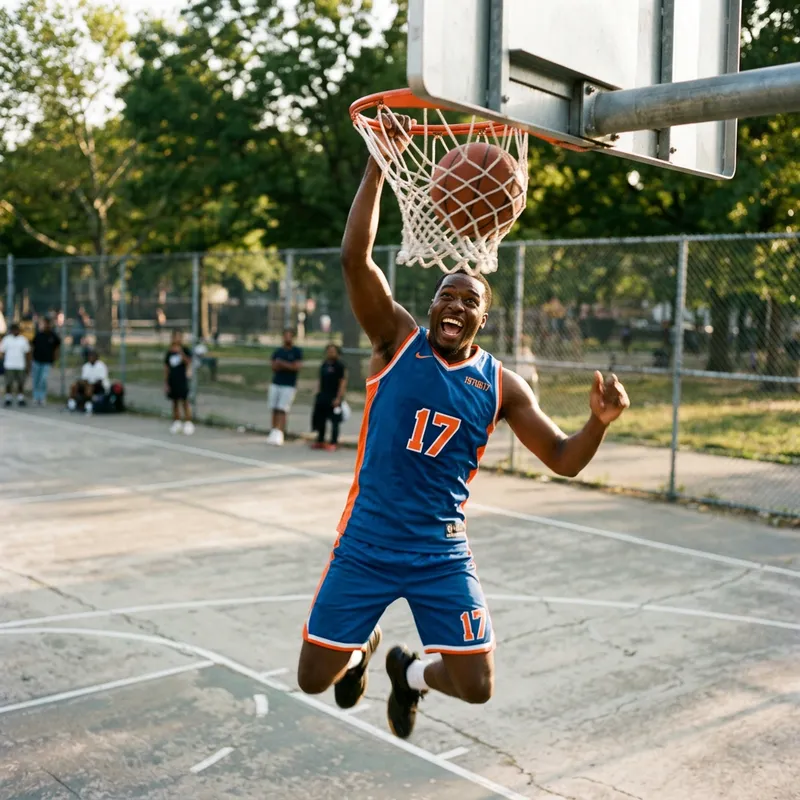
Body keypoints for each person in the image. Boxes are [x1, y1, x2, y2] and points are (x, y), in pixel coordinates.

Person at [296, 113, 630, 740]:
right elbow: (354, 258)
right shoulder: (396, 341)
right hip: (367, 541)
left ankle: (408, 673)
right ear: (430, 306)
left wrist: (598, 422)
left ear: (482, 318)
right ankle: (361, 649)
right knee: (314, 678)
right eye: (445, 295)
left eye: (468, 300)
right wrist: (379, 162)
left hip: (440, 550)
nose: (454, 304)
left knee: (476, 685)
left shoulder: (502, 385)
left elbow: (563, 458)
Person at [267, 327, 303, 446]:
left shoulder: (296, 351)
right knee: (274, 408)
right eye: (285, 335)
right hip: (276, 383)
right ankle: (273, 431)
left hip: (288, 385)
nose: (287, 338)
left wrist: (282, 364)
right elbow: (273, 366)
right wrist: (286, 365)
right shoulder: (278, 351)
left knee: (283, 409)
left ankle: (280, 432)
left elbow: (296, 367)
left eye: (289, 336)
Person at [311, 344, 347, 451]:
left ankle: (333, 442)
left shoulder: (340, 366)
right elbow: (320, 380)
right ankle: (320, 440)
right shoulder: (324, 364)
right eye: (329, 351)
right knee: (320, 419)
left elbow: (343, 382)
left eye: (333, 351)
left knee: (334, 421)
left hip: (334, 397)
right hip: (323, 396)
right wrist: (317, 393)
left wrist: (338, 398)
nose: (330, 353)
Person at [164, 329, 195, 435]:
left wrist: (181, 353)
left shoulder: (185, 350)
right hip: (173, 379)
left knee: (184, 401)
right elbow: (166, 368)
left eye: (179, 337)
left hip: (182, 379)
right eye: (175, 337)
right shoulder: (169, 352)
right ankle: (176, 422)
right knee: (175, 402)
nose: (177, 339)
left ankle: (188, 422)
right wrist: (166, 382)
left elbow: (188, 362)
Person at [67, 348, 110, 414]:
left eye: (92, 356)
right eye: (89, 356)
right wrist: (81, 383)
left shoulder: (101, 366)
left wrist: (89, 384)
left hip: (100, 386)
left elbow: (100, 380)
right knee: (74, 385)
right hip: (88, 384)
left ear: (96, 357)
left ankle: (88, 405)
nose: (90, 358)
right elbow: (85, 379)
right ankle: (71, 404)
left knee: (89, 387)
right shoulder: (86, 366)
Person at [31, 317, 61, 406]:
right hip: (37, 360)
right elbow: (32, 347)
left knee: (43, 379)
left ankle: (42, 397)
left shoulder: (53, 336)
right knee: (36, 379)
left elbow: (57, 348)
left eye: (48, 324)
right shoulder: (38, 335)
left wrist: (55, 359)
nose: (46, 326)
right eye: (45, 324)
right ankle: (36, 397)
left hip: (47, 361)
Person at [1, 322, 31, 407]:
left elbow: (27, 353)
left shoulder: (23, 340)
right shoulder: (6, 339)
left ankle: (20, 398)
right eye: (13, 330)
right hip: (9, 365)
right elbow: (2, 352)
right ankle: (8, 398)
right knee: (8, 383)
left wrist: (28, 365)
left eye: (16, 329)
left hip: (20, 365)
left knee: (20, 382)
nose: (15, 331)